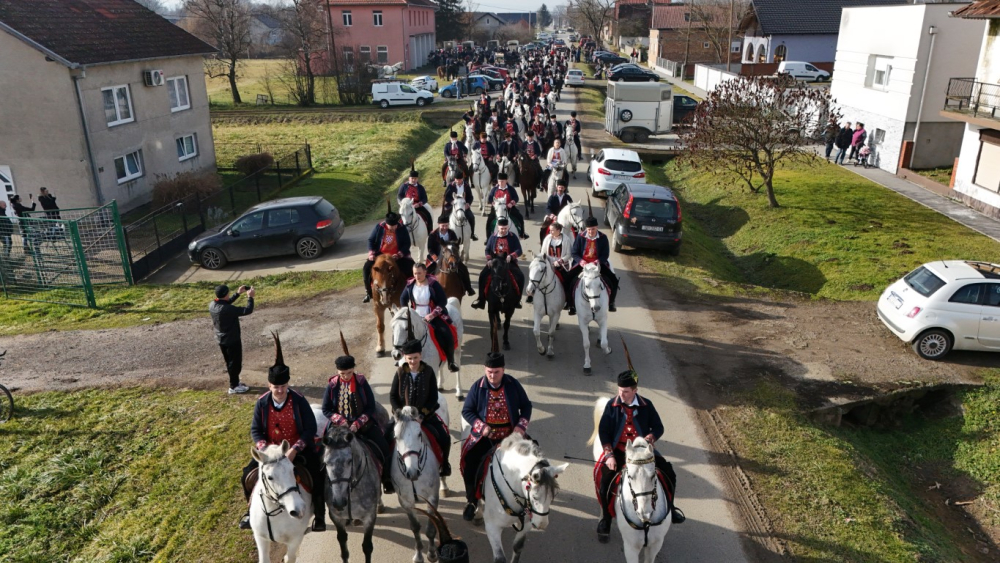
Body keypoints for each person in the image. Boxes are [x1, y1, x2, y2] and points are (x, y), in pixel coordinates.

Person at [240, 333, 325, 532]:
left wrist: (295, 450)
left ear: (288, 385)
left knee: (319, 474)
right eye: (276, 387)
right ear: (269, 386)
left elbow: (310, 428)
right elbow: (256, 430)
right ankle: (249, 511)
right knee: (246, 475)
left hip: (297, 448)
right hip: (271, 452)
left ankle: (319, 515)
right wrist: (263, 449)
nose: (279, 390)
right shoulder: (262, 402)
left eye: (283, 386)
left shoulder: (298, 400)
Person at [594, 368, 683, 543]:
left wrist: (651, 437)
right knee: (604, 481)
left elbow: (658, 427)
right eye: (619, 390)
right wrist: (609, 455)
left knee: (669, 472)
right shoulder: (612, 406)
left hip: (643, 454)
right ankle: (605, 518)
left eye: (626, 391)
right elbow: (603, 431)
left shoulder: (646, 405)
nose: (621, 394)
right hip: (620, 452)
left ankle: (671, 508)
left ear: (635, 390)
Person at [459, 348, 533, 521]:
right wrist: (481, 426)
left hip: (510, 437)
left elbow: (527, 406)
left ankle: (530, 500)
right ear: (485, 369)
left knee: (533, 459)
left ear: (503, 370)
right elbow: (467, 410)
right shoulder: (477, 387)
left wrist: (520, 427)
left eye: (496, 372)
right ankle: (472, 501)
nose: (492, 376)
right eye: (489, 372)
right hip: (485, 437)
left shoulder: (513, 384)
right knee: (470, 462)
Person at [322, 347, 395, 494]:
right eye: (343, 373)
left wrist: (357, 423)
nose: (347, 376)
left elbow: (370, 406)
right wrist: (340, 420)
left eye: (349, 373)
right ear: (337, 372)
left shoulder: (361, 382)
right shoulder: (332, 385)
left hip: (363, 425)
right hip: (338, 428)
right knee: (322, 452)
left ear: (354, 369)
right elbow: (326, 409)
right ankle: (324, 486)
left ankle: (386, 480)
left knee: (384, 447)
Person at [390, 339, 453, 476]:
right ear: (405, 358)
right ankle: (387, 475)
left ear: (421, 356)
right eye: (410, 358)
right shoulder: (400, 372)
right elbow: (393, 396)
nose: (413, 361)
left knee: (444, 437)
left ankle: (444, 465)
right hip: (402, 417)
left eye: (416, 358)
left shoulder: (429, 371)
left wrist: (421, 416)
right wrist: (398, 413)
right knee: (386, 437)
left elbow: (433, 398)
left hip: (425, 416)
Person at [400, 262, 459, 372]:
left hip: (433, 315)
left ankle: (451, 361)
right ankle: (400, 355)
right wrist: (405, 311)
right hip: (416, 316)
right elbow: (402, 299)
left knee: (446, 333)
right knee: (402, 332)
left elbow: (443, 301)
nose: (417, 276)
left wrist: (432, 314)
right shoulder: (410, 284)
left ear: (425, 272)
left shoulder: (433, 284)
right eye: (415, 273)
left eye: (419, 273)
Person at [566, 217, 619, 314]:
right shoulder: (580, 237)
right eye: (589, 229)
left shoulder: (603, 237)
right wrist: (581, 261)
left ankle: (611, 303)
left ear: (597, 227)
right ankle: (570, 304)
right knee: (568, 279)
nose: (591, 231)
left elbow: (605, 254)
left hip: (597, 264)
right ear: (586, 229)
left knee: (614, 280)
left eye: (593, 229)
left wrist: (597, 261)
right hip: (583, 264)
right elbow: (574, 253)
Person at [210, 284, 255, 394]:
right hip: (232, 340)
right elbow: (248, 310)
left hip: (221, 339)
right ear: (226, 294)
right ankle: (234, 386)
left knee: (230, 362)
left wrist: (238, 293)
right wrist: (250, 297)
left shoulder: (212, 304)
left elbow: (225, 303)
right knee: (235, 363)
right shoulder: (227, 309)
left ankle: (235, 382)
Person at [471, 217, 524, 310]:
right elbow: (487, 249)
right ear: (498, 228)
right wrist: (489, 260)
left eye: (505, 228)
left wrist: (511, 256)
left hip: (509, 263)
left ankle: (517, 300)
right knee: (482, 275)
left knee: (521, 276)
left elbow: (519, 250)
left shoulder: (513, 236)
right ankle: (481, 300)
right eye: (501, 228)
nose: (503, 230)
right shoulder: (493, 236)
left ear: (507, 227)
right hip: (495, 263)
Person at [362, 210, 414, 303]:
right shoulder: (379, 227)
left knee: (412, 267)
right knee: (366, 268)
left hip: (396, 256)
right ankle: (369, 292)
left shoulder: (402, 228)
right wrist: (371, 253)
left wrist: (400, 254)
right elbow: (371, 240)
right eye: (391, 226)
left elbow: (407, 243)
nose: (394, 228)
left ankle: (413, 290)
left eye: (395, 226)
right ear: (386, 224)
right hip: (380, 255)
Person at [427, 214, 475, 296]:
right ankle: (427, 291)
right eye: (443, 226)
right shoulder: (432, 235)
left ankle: (468, 288)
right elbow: (430, 249)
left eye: (446, 225)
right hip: (436, 257)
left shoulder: (452, 233)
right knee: (427, 271)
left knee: (464, 269)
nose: (445, 227)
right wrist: (436, 259)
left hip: (451, 256)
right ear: (438, 224)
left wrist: (455, 256)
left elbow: (456, 245)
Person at [528, 221, 573, 303]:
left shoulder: (566, 239)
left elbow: (569, 254)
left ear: (558, 230)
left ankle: (569, 301)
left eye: (552, 230)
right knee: (537, 275)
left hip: (561, 265)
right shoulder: (548, 238)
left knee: (567, 281)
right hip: (548, 262)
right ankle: (531, 295)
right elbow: (543, 251)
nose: (550, 232)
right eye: (550, 230)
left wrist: (560, 261)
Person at [485, 172, 527, 240]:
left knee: (520, 217)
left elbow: (516, 198)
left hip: (509, 208)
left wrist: (512, 202)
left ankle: (522, 233)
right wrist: (492, 203)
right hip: (497, 209)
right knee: (489, 221)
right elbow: (489, 198)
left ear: (506, 181)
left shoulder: (510, 189)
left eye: (502, 181)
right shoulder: (494, 189)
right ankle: (488, 238)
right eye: (499, 181)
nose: (501, 183)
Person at [443, 171, 479, 241]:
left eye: (460, 180)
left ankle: (472, 234)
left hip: (463, 206)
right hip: (453, 206)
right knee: (444, 217)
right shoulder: (451, 186)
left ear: (462, 179)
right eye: (457, 179)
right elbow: (445, 196)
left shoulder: (466, 186)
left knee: (471, 217)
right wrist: (451, 201)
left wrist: (468, 203)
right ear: (455, 179)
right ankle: (445, 234)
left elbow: (470, 197)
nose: (458, 181)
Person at [396, 168, 432, 233]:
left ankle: (430, 231)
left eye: (415, 178)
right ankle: (397, 234)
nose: (413, 180)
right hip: (406, 206)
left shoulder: (420, 187)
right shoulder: (403, 186)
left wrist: (419, 204)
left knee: (428, 215)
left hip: (417, 205)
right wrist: (402, 203)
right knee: (397, 218)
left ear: (417, 179)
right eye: (412, 178)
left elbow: (425, 198)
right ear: (409, 178)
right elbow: (399, 195)